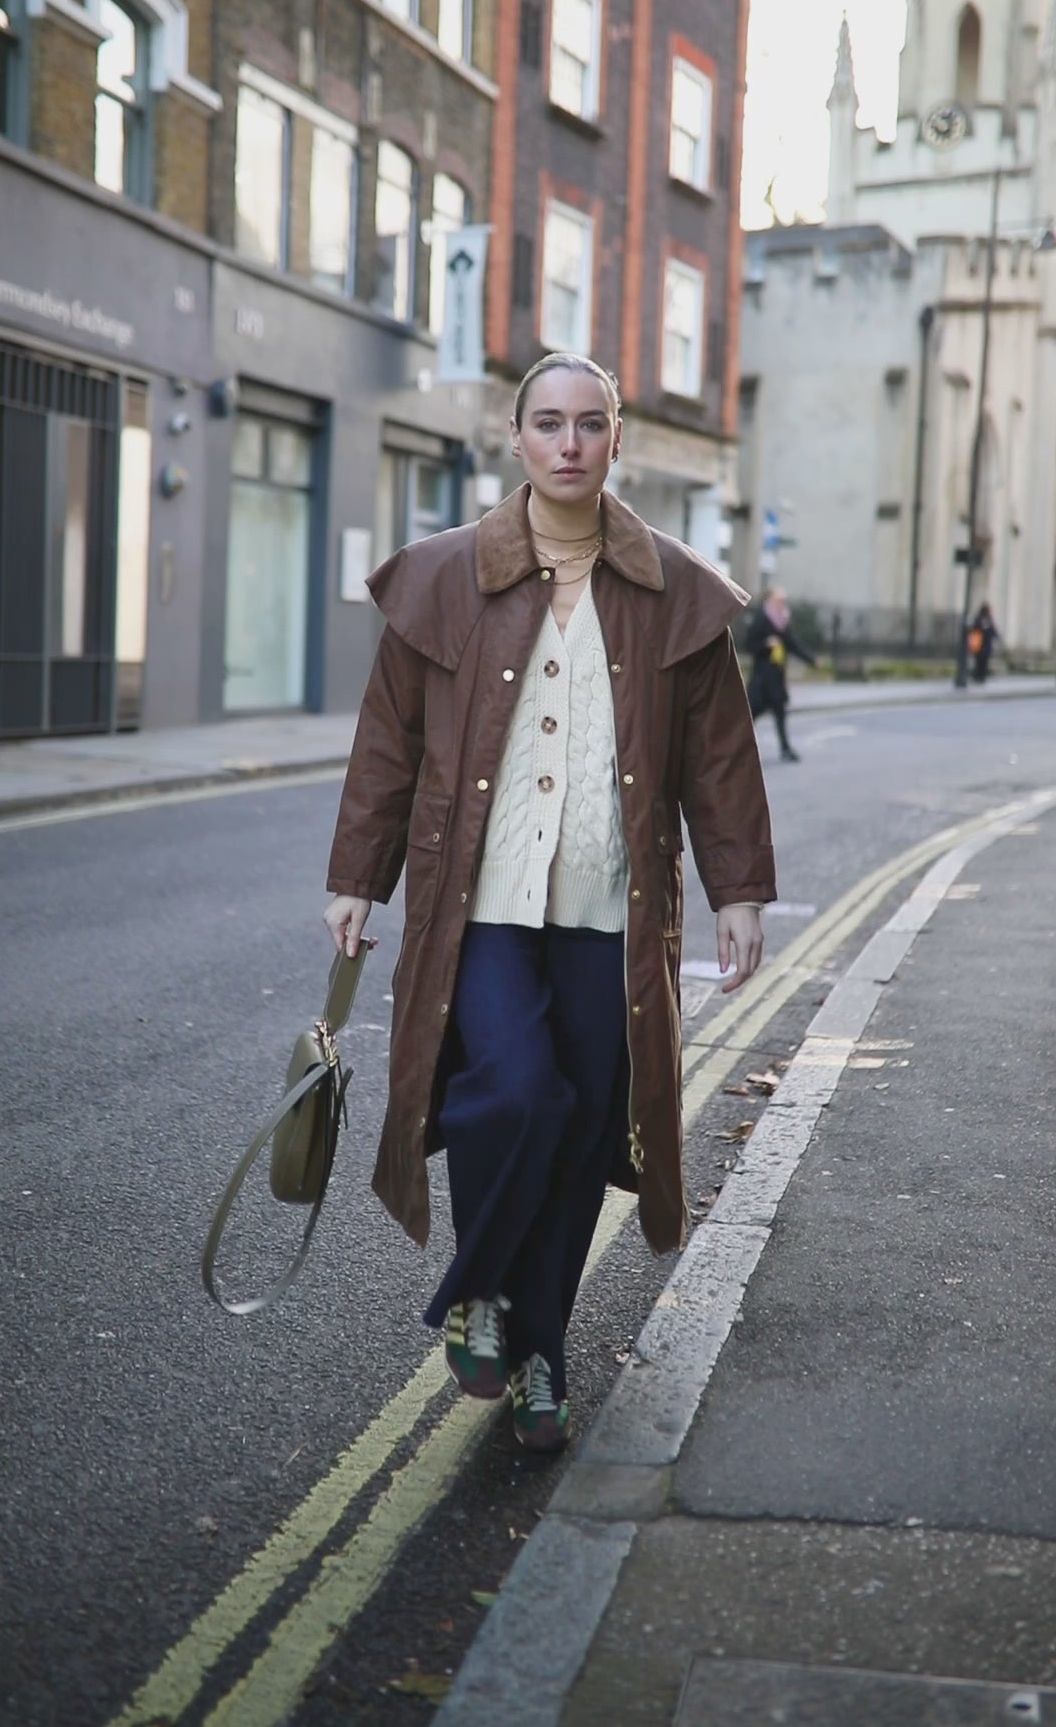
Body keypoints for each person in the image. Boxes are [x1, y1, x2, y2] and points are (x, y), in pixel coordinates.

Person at [323, 352, 776, 1454]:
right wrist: (356, 870)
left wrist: (739, 891)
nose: (568, 443)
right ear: (514, 438)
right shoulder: (440, 578)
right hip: (474, 903)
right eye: (547, 423)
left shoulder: (677, 590)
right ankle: (476, 1292)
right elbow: (391, 739)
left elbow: (719, 757)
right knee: (519, 1094)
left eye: (590, 424)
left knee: (579, 1139)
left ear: (618, 439)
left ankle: (540, 1361)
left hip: (609, 911)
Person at [745, 585, 817, 763]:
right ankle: (738, 749)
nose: (782, 603)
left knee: (780, 713)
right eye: (779, 600)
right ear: (769, 600)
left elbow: (792, 644)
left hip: (776, 677)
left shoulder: (783, 620)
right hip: (762, 678)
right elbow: (748, 644)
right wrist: (765, 644)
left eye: (783, 601)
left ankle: (785, 749)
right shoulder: (761, 619)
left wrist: (811, 659)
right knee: (750, 715)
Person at [968, 602, 1000, 684]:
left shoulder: (989, 619)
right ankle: (977, 676)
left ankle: (982, 677)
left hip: (986, 646)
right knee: (978, 662)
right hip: (979, 645)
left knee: (984, 662)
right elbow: (974, 629)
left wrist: (997, 637)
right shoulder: (978, 619)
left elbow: (993, 630)